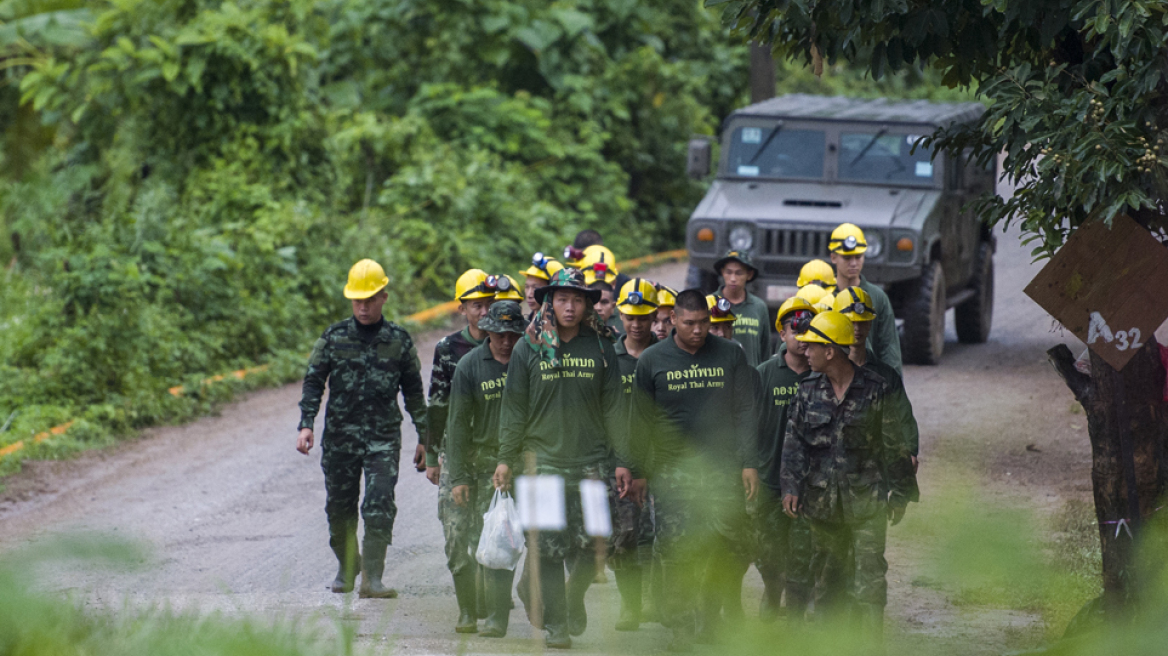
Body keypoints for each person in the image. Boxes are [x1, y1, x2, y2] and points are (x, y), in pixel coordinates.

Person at [494, 268, 629, 649]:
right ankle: (557, 624)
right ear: (550, 301)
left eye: (578, 299)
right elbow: (514, 408)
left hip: (592, 462)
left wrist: (623, 460)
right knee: (548, 547)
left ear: (587, 303)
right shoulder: (529, 346)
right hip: (543, 464)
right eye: (563, 299)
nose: (570, 307)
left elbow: (615, 406)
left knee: (595, 543)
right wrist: (505, 458)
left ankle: (571, 600)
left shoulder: (601, 345)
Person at [630, 289, 760, 649]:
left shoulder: (731, 354)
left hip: (723, 468)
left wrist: (750, 462)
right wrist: (637, 469)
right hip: (673, 473)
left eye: (704, 323)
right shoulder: (653, 360)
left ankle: (709, 616)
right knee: (676, 551)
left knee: (728, 547)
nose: (699, 330)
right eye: (689, 323)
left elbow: (745, 410)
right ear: (672, 319)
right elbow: (640, 418)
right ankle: (681, 628)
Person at [780, 311, 918, 643]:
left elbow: (893, 445)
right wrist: (790, 485)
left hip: (866, 504)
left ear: (830, 351)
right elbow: (794, 441)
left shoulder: (875, 388)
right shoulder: (807, 390)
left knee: (869, 582)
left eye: (812, 346)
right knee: (827, 581)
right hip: (821, 504)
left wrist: (900, 494)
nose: (805, 350)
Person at [296, 259, 428, 598]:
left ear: (384, 296)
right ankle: (347, 566)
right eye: (357, 300)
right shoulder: (334, 337)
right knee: (340, 507)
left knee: (379, 503)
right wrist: (306, 424)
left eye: (370, 299)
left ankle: (373, 576)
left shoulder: (398, 340)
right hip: (341, 438)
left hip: (383, 438)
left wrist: (427, 438)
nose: (363, 306)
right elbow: (313, 381)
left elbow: (414, 391)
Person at [446, 301, 526, 638]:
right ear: (488, 330)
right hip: (478, 467)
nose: (505, 341)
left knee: (501, 540)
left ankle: (496, 617)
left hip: (516, 468)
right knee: (460, 539)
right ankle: (467, 610)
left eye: (512, 334)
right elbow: (458, 424)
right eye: (499, 334)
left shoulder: (529, 363)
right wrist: (460, 476)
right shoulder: (469, 366)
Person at [427, 269, 497, 631]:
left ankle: (487, 598)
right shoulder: (447, 349)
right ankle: (467, 610)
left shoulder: (506, 345)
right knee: (456, 535)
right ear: (463, 309)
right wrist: (430, 454)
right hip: (454, 454)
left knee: (489, 533)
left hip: (492, 456)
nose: (483, 312)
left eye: (488, 304)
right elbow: (437, 403)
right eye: (475, 306)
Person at [754, 296, 819, 621]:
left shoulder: (821, 374)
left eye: (808, 327)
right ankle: (772, 591)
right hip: (769, 480)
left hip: (809, 483)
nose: (800, 334)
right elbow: (748, 425)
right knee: (767, 551)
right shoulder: (765, 374)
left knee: (802, 553)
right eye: (794, 327)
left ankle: (793, 617)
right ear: (782, 333)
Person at [608, 278, 659, 631]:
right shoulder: (608, 358)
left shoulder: (668, 355)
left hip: (662, 462)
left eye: (643, 317)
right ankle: (630, 605)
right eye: (630, 317)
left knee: (662, 536)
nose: (637, 324)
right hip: (621, 464)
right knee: (625, 535)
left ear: (655, 315)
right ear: (620, 315)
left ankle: (660, 601)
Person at [833, 286, 921, 472]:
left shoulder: (885, 376)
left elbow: (903, 415)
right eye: (851, 322)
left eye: (862, 322)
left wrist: (910, 451)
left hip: (872, 478)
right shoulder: (822, 373)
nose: (857, 328)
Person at [828, 223, 903, 375]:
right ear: (833, 257)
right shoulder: (824, 296)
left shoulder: (877, 297)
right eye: (847, 257)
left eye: (858, 257)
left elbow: (888, 347)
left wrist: (894, 390)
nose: (854, 263)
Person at [713, 250, 770, 367]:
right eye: (728, 272)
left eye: (739, 273)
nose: (733, 278)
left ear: (749, 275)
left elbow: (765, 350)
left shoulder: (759, 307)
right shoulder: (710, 303)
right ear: (722, 272)